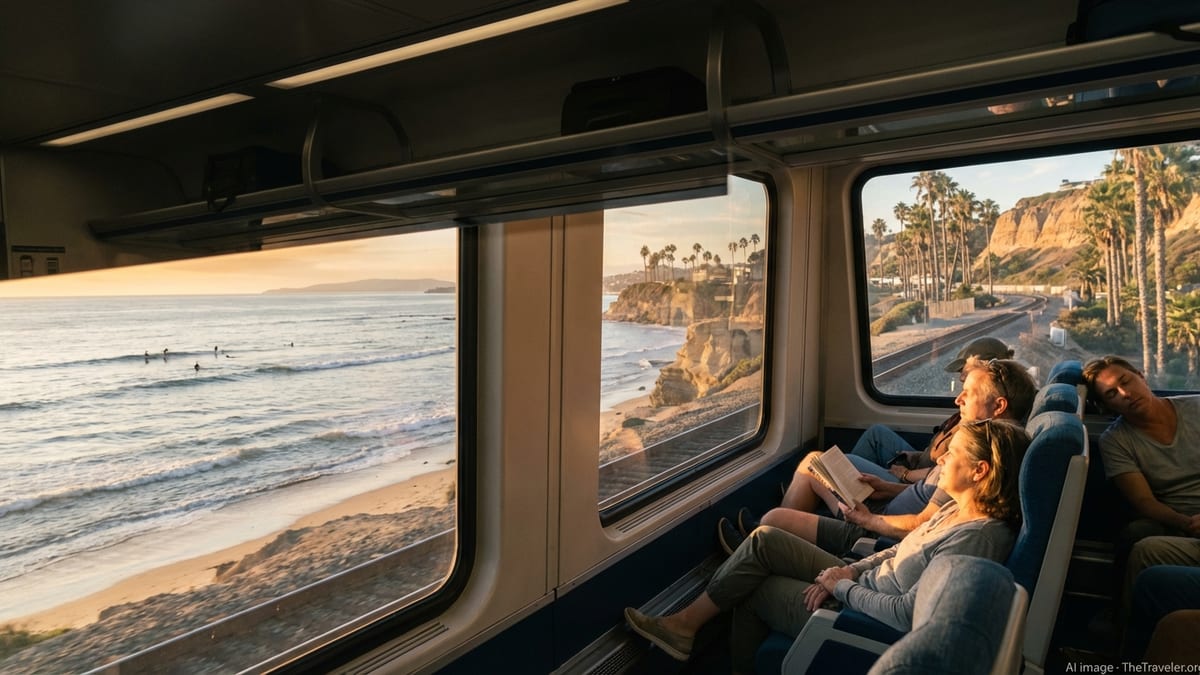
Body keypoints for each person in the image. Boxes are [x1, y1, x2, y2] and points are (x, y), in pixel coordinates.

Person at [624, 419, 1030, 672]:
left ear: (980, 470)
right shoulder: (960, 508)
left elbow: (907, 614)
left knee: (755, 592)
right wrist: (850, 569)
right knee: (765, 539)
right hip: (862, 580)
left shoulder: (977, 537)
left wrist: (841, 588)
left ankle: (693, 635)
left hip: (863, 615)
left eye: (951, 457)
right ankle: (685, 628)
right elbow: (898, 551)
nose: (939, 463)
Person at [721, 356, 1036, 557]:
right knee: (816, 466)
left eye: (969, 394)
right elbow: (932, 496)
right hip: (887, 509)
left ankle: (761, 542)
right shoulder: (981, 445)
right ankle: (773, 534)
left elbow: (924, 523)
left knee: (798, 486)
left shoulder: (982, 457)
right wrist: (888, 487)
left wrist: (870, 518)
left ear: (999, 407)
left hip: (878, 529)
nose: (957, 399)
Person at [1082, 355, 1200, 641]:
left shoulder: (1195, 407)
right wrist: (1187, 523)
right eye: (1112, 394)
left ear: (1141, 375)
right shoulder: (1116, 440)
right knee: (1138, 537)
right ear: (1108, 406)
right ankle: (1126, 637)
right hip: (1180, 521)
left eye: (1126, 381)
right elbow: (1144, 502)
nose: (1126, 394)